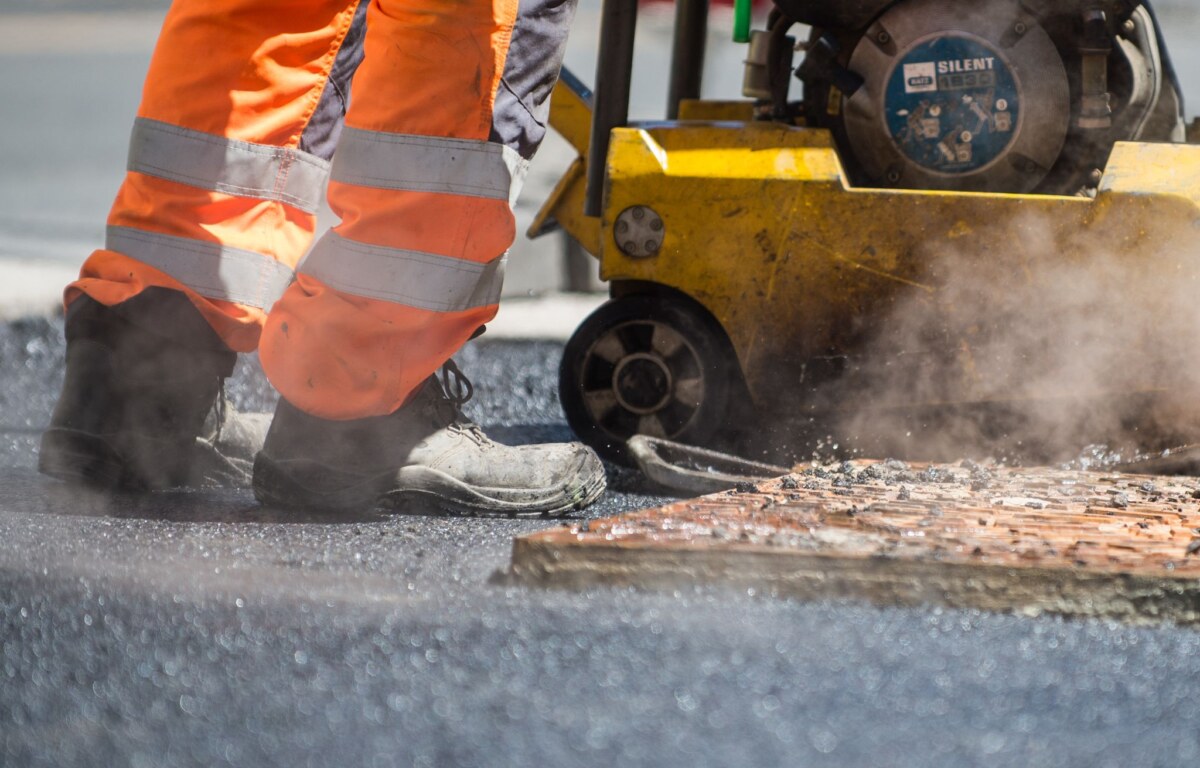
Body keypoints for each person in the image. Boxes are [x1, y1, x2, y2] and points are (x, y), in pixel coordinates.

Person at [38, 0, 607, 516]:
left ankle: (141, 377)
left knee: (276, 12)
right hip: (361, 402)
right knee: (464, 13)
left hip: (122, 361)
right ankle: (360, 398)